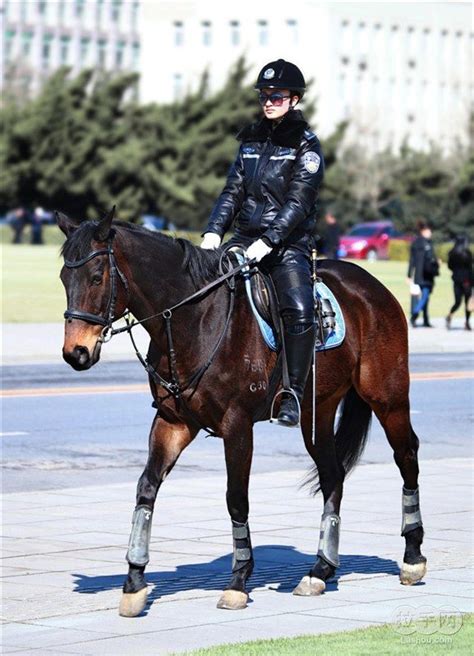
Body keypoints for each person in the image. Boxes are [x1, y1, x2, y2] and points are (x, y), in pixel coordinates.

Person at [201, 58, 324, 427]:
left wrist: (270, 241)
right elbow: (233, 191)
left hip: (287, 245)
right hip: (243, 239)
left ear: (295, 99)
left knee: (299, 308)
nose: (269, 101)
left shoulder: (307, 145)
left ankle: (292, 393)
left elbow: (299, 201)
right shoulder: (250, 140)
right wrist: (212, 232)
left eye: (277, 96)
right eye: (265, 95)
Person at [407, 220, 439, 328]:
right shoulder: (427, 243)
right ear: (424, 231)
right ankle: (415, 314)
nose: (431, 233)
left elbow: (412, 261)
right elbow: (431, 259)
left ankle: (425, 319)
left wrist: (409, 274)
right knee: (425, 295)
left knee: (425, 296)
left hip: (419, 274)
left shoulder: (415, 243)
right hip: (427, 274)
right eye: (429, 231)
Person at [446, 234, 473, 331]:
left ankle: (449, 315)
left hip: (457, 280)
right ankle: (467, 322)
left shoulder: (452, 253)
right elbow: (470, 269)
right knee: (467, 303)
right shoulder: (468, 253)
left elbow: (449, 266)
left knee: (457, 302)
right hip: (467, 281)